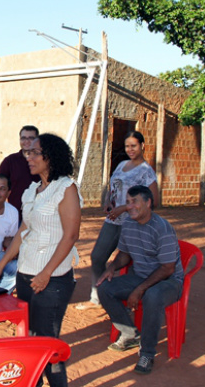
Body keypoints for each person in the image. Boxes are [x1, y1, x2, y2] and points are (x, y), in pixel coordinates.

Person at [0, 133, 82, 387]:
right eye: (28, 152)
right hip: (26, 274)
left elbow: (70, 236)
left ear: (50, 157)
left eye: (35, 152)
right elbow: (23, 231)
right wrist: (0, 266)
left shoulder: (65, 189)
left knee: (48, 344)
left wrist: (47, 273)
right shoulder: (32, 191)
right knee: (28, 340)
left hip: (52, 279)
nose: (29, 157)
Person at [96, 185, 183, 375]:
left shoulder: (162, 228)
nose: (130, 206)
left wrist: (140, 289)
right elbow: (124, 255)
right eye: (127, 202)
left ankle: (147, 353)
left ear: (148, 202)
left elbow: (168, 268)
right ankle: (129, 334)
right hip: (141, 277)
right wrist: (111, 269)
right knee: (104, 288)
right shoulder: (128, 223)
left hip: (169, 282)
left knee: (152, 295)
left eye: (135, 201)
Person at [81, 130, 159, 308]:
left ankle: (130, 301)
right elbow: (114, 187)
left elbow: (154, 201)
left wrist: (125, 207)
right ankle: (97, 296)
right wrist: (109, 201)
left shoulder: (146, 171)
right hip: (113, 220)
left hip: (133, 224)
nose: (130, 149)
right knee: (97, 256)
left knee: (130, 264)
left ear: (142, 146)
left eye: (134, 146)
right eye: (127, 146)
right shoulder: (122, 164)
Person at [0, 125, 41, 221]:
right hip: (16, 217)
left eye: (31, 138)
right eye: (23, 138)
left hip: (39, 218)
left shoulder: (44, 161)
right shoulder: (10, 161)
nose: (26, 141)